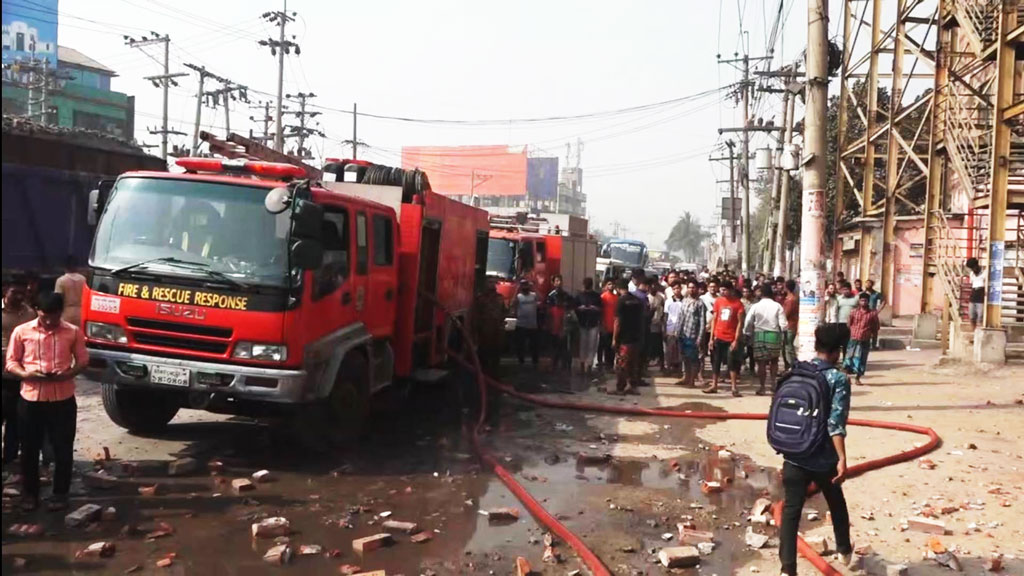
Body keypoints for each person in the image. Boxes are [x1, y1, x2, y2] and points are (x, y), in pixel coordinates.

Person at [778, 323, 854, 576]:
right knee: (836, 501)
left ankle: (787, 569)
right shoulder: (838, 379)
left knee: (790, 512)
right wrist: (842, 458)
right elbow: (835, 422)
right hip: (822, 457)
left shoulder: (797, 372)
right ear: (838, 351)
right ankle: (844, 548)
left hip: (794, 453)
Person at [6, 292, 89, 511]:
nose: (50, 321)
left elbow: (83, 360)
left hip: (62, 398)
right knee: (30, 449)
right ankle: (30, 495)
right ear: (37, 311)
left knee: (63, 448)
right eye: (45, 316)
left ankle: (60, 494)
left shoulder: (72, 332)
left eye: (54, 316)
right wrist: (25, 374)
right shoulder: (22, 332)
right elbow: (11, 362)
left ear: (60, 312)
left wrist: (69, 373)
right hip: (31, 398)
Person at [2, 280, 37, 465]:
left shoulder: (29, 314)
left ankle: (9, 458)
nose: (19, 297)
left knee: (15, 419)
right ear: (5, 290)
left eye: (21, 293)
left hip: (17, 375)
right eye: (14, 292)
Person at [744, 283, 788, 396]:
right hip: (774, 335)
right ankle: (773, 384)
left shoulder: (755, 306)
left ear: (761, 294)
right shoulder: (777, 306)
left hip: (759, 335)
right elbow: (783, 324)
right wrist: (784, 335)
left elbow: (748, 321)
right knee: (774, 361)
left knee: (761, 363)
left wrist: (747, 333)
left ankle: (762, 387)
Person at [704, 280, 746, 397]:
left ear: (731, 290)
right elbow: (715, 319)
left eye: (725, 289)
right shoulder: (718, 301)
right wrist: (711, 338)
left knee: (732, 362)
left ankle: (733, 387)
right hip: (719, 336)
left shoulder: (738, 304)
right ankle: (714, 385)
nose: (722, 292)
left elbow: (740, 323)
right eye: (721, 289)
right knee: (715, 362)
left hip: (731, 338)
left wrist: (736, 340)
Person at [611, 279, 644, 396]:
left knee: (622, 364)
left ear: (618, 289)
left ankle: (620, 388)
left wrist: (614, 339)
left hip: (625, 338)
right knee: (633, 363)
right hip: (637, 337)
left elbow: (617, 322)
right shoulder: (637, 300)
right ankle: (633, 386)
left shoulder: (621, 301)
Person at [471, 278, 507, 378]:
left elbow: (504, 311)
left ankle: (495, 373)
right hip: (485, 330)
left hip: (498, 330)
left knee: (497, 352)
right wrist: (476, 330)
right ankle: (483, 372)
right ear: (485, 284)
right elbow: (476, 315)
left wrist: (501, 323)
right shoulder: (480, 299)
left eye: (493, 282)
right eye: (489, 282)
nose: (492, 284)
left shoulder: (500, 298)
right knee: (484, 352)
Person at [844, 293, 880, 386]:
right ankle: (846, 377)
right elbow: (849, 324)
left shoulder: (872, 314)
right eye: (862, 300)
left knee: (862, 360)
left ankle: (857, 378)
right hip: (854, 339)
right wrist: (854, 332)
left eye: (865, 300)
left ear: (868, 302)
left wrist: (874, 342)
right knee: (849, 358)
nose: (863, 302)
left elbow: (875, 328)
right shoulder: (853, 312)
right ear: (859, 301)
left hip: (865, 340)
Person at [677, 280, 707, 387]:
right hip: (683, 334)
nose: (691, 289)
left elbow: (702, 322)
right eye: (689, 287)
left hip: (693, 335)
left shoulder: (700, 304)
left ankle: (692, 380)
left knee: (693, 359)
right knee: (685, 358)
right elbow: (680, 317)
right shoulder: (684, 301)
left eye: (693, 287)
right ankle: (687, 377)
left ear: (697, 289)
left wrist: (699, 338)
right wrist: (677, 332)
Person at [546, 275, 575, 372]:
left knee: (565, 345)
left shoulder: (566, 295)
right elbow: (548, 311)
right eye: (557, 281)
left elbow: (570, 309)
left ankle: (565, 365)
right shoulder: (550, 296)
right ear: (553, 282)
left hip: (564, 322)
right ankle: (554, 363)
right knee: (554, 345)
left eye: (560, 280)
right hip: (554, 323)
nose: (559, 282)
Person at [575, 277, 603, 375]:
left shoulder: (596, 296)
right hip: (584, 322)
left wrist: (594, 308)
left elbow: (600, 309)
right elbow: (575, 308)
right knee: (585, 345)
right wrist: (580, 308)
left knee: (590, 345)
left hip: (592, 323)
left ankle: (588, 365)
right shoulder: (580, 296)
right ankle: (583, 364)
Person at [512, 281, 540, 366]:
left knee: (534, 345)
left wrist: (534, 287)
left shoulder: (533, 295)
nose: (525, 287)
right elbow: (513, 303)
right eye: (523, 285)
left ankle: (535, 361)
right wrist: (517, 289)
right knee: (520, 344)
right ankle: (521, 361)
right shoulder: (519, 296)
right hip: (521, 324)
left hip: (532, 325)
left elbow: (541, 298)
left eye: (526, 285)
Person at [54, 256, 87, 328]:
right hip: (81, 312)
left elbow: (58, 300)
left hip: (66, 313)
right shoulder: (83, 279)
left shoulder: (61, 280)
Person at [697, 280, 718, 385]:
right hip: (703, 329)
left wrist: (711, 324)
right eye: (710, 286)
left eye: (714, 286)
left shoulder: (720, 299)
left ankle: (715, 376)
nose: (712, 288)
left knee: (714, 354)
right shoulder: (703, 298)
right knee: (701, 352)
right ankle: (700, 374)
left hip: (715, 330)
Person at [663, 282, 686, 375]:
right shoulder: (668, 301)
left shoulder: (685, 301)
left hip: (682, 328)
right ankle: (669, 368)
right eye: (674, 288)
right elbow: (665, 315)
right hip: (670, 328)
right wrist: (664, 329)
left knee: (680, 350)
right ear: (672, 290)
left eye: (678, 288)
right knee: (670, 349)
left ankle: (680, 369)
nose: (677, 290)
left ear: (681, 289)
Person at [598, 280, 619, 370]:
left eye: (613, 284)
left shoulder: (616, 298)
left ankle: (610, 364)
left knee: (612, 347)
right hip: (605, 325)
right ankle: (602, 362)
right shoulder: (603, 297)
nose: (611, 286)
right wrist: (602, 324)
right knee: (604, 345)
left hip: (613, 326)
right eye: (609, 284)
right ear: (605, 286)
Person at [648, 281, 667, 371]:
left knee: (659, 345)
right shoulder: (647, 298)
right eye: (651, 287)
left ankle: (661, 364)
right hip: (649, 324)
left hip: (658, 323)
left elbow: (664, 310)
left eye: (655, 287)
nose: (653, 289)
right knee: (650, 343)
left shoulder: (661, 297)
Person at [782, 279, 800, 371]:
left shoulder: (790, 300)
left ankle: (793, 365)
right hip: (791, 325)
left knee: (788, 347)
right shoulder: (793, 298)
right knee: (788, 346)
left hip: (789, 326)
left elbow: (786, 314)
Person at [863, 279, 885, 350]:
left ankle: (874, 345)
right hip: (864, 314)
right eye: (866, 283)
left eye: (869, 284)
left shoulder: (876, 294)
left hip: (873, 314)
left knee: (874, 330)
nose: (867, 285)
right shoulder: (863, 293)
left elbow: (883, 301)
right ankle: (866, 344)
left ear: (872, 285)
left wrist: (878, 310)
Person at [966, 258, 985, 331]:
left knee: (980, 315)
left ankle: (979, 331)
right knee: (971, 315)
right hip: (973, 294)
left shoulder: (984, 272)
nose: (973, 270)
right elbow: (972, 283)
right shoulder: (972, 274)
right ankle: (974, 331)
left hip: (981, 294)